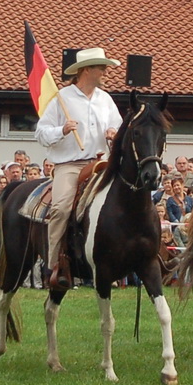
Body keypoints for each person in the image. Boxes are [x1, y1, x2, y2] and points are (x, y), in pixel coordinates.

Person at [35, 47, 123, 291]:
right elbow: (40, 134)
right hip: (70, 165)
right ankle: (53, 264)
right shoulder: (61, 98)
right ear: (86, 70)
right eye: (101, 67)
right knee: (61, 208)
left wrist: (115, 134)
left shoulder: (106, 99)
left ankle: (113, 262)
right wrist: (61, 130)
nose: (106, 71)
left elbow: (119, 126)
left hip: (101, 162)